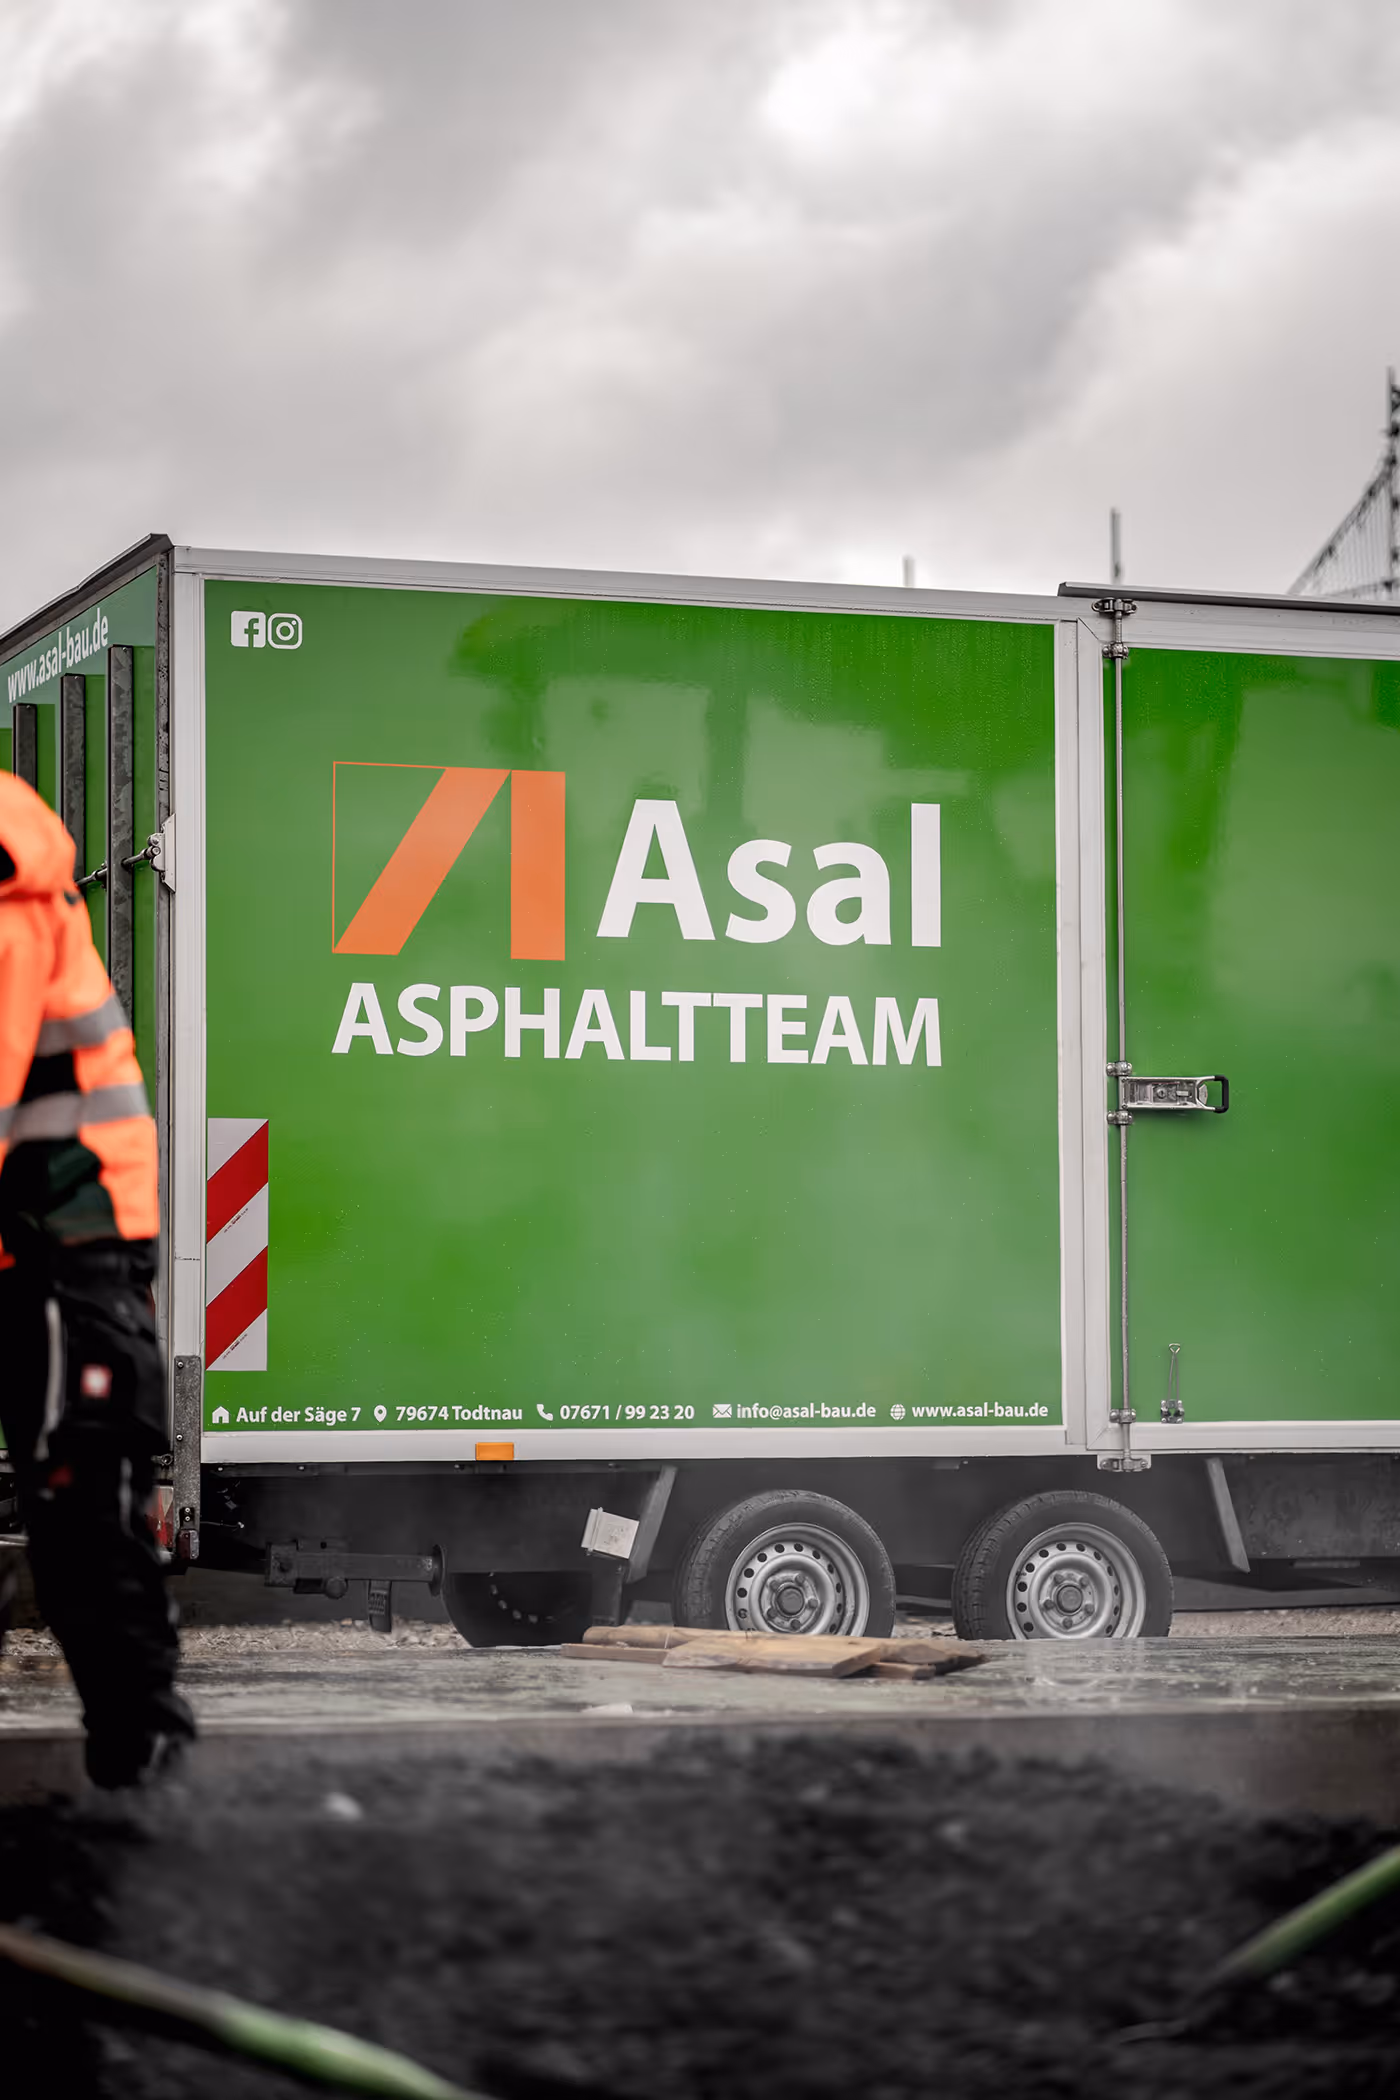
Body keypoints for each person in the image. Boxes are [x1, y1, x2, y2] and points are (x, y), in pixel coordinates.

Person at [0, 768, 193, 1786]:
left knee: (82, 1518)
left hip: (68, 1248)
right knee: (79, 1516)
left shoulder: (6, 890)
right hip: (39, 1249)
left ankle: (147, 1781)